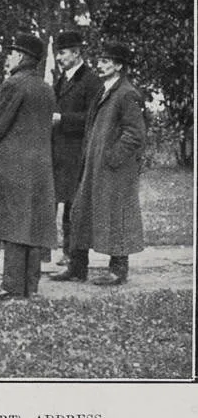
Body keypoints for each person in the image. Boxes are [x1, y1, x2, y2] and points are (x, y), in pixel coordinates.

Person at [0, 34, 57, 301]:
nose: (8, 57)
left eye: (12, 53)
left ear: (23, 57)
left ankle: (11, 285)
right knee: (33, 223)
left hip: (13, 163)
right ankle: (30, 285)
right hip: (40, 164)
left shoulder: (13, 84)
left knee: (11, 224)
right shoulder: (46, 88)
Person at [69, 44, 146, 286]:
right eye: (99, 60)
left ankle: (118, 270)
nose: (99, 64)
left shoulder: (126, 93)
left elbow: (135, 134)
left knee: (117, 216)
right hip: (95, 167)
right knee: (81, 212)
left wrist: (112, 158)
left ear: (119, 66)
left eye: (106, 61)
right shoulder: (106, 90)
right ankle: (77, 268)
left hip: (115, 171)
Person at [48, 30, 103, 280]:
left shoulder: (91, 81)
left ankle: (77, 264)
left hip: (79, 154)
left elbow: (94, 119)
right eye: (57, 53)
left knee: (76, 209)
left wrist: (63, 118)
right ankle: (71, 257)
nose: (59, 58)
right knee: (68, 208)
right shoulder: (62, 79)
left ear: (77, 53)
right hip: (61, 154)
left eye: (63, 53)